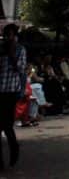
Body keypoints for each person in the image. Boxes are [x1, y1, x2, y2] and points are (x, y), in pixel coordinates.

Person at [1, 24, 28, 169]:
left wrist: (11, 54)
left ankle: (14, 146)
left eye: (9, 35)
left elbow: (20, 69)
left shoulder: (20, 49)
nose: (7, 38)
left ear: (15, 36)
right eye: (5, 35)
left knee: (7, 125)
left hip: (10, 91)